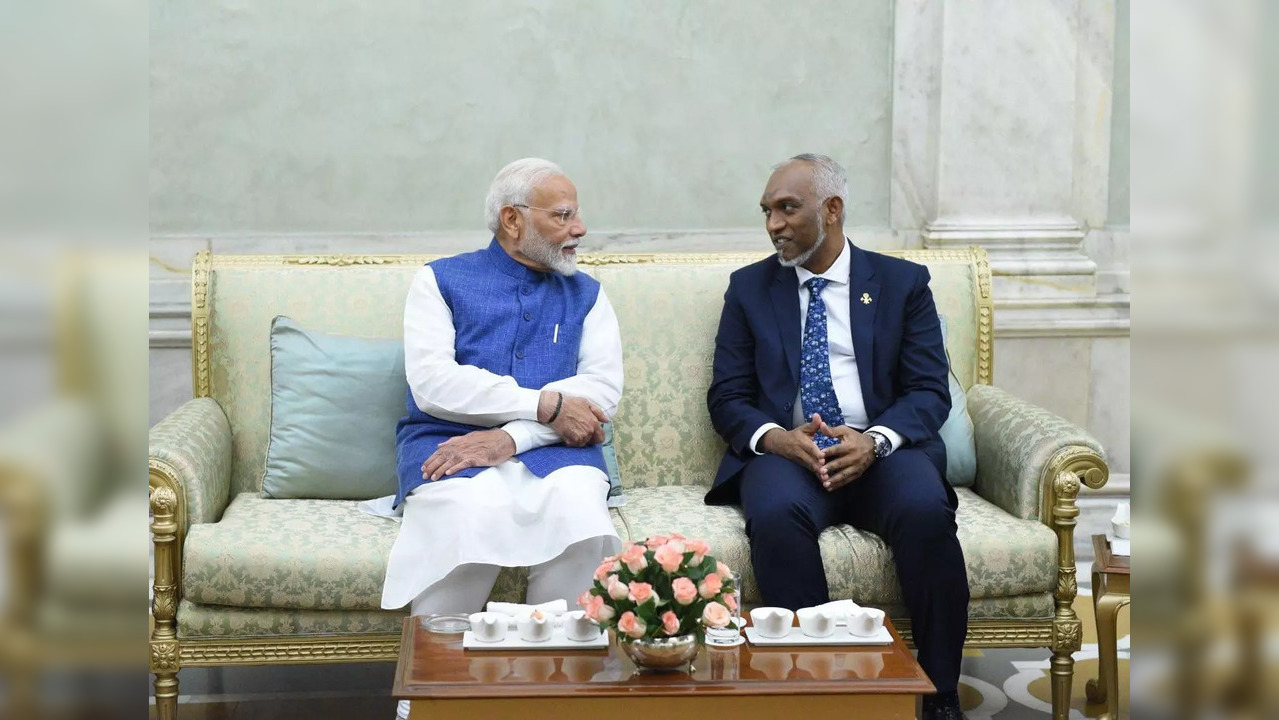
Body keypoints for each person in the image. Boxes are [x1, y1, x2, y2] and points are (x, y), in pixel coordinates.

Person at [705, 154, 970, 720]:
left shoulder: (901, 284)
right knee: (776, 517)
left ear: (832, 209)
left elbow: (928, 391)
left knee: (925, 511)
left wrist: (874, 440)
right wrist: (777, 438)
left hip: (881, 449)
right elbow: (727, 397)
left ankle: (940, 691)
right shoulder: (750, 290)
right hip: (791, 453)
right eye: (767, 211)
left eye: (787, 208)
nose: (773, 223)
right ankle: (815, 690)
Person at [362, 158, 623, 719]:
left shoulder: (590, 295)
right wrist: (545, 403)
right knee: (464, 509)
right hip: (447, 443)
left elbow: (600, 391)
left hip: (558, 453)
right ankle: (432, 696)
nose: (580, 229)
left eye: (576, 215)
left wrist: (513, 437)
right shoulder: (438, 280)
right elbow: (434, 383)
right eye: (564, 215)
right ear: (512, 219)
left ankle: (550, 694)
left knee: (579, 512)